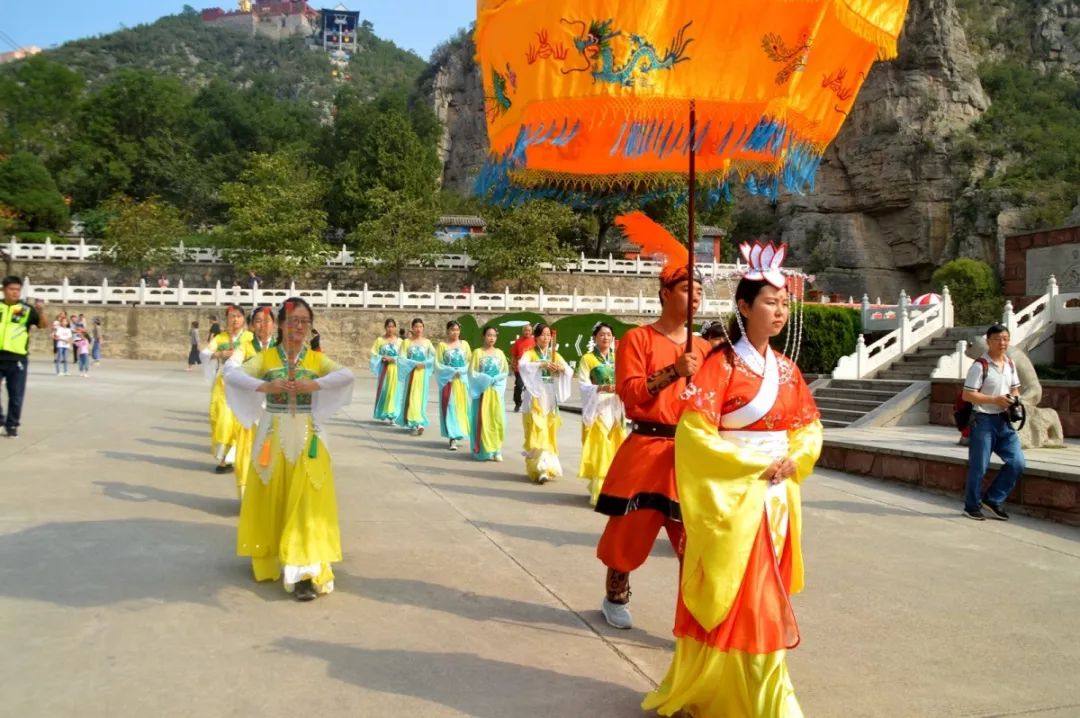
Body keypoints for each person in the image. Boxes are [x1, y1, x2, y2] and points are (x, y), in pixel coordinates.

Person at [642, 241, 823, 717]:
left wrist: (796, 457)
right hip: (736, 501)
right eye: (770, 302)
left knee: (765, 596)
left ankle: (748, 695)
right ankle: (759, 702)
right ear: (744, 306)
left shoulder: (787, 370)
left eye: (785, 304)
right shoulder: (719, 367)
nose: (780, 311)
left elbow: (809, 426)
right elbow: (694, 436)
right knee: (743, 599)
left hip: (778, 500)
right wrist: (751, 466)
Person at [594, 212, 709, 631]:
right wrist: (675, 372)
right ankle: (616, 591)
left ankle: (696, 616)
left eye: (698, 290)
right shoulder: (637, 339)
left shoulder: (707, 346)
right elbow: (631, 393)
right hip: (648, 448)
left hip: (692, 453)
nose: (694, 297)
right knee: (629, 530)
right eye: (685, 289)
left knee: (695, 541)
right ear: (664, 293)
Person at [224, 297, 354, 601]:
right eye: (293, 320)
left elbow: (346, 375)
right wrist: (265, 387)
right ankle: (275, 553)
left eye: (305, 321)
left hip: (309, 438)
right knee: (276, 497)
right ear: (281, 324)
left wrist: (315, 386)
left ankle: (304, 573)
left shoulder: (316, 360)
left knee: (307, 503)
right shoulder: (267, 359)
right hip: (273, 436)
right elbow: (233, 374)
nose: (299, 327)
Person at [961, 324, 1025, 521]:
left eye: (1006, 338)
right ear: (988, 341)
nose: (1002, 342)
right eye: (998, 339)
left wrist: (1012, 400)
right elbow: (967, 395)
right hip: (983, 421)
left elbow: (1015, 389)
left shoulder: (1010, 364)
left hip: (1004, 421)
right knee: (979, 466)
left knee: (1017, 462)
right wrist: (995, 400)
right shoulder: (980, 365)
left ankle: (993, 499)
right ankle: (971, 506)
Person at [577, 322, 626, 506]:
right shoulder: (588, 359)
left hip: (615, 405)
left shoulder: (618, 357)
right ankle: (600, 489)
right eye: (602, 335)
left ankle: (612, 486)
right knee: (600, 447)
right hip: (597, 406)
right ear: (595, 338)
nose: (605, 337)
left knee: (615, 446)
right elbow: (583, 384)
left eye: (608, 334)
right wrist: (602, 387)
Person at [230, 305, 277, 500]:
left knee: (272, 454)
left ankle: (269, 496)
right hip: (251, 409)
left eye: (267, 321)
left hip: (275, 409)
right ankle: (247, 494)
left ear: (274, 325)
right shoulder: (246, 347)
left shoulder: (281, 348)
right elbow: (231, 367)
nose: (263, 325)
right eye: (258, 321)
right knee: (248, 452)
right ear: (251, 326)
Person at [201, 304, 253, 474]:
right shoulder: (221, 338)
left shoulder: (250, 338)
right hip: (223, 384)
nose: (235, 319)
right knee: (222, 419)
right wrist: (218, 355)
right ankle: (224, 458)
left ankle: (239, 457)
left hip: (245, 385)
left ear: (243, 318)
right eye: (232, 316)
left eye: (238, 316)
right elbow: (205, 353)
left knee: (241, 421)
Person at [517, 322, 572, 484]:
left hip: (549, 396)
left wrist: (560, 369)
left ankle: (547, 467)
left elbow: (568, 370)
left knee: (548, 431)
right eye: (543, 335)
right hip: (535, 396)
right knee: (536, 430)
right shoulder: (531, 353)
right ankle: (539, 468)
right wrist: (541, 364)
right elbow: (522, 366)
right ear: (536, 337)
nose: (546, 338)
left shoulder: (554, 354)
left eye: (549, 335)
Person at [0, 276, 48, 438]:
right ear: (3, 289)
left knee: (16, 395)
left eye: (17, 290)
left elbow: (42, 326)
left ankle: (12, 425)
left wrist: (41, 312)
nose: (14, 292)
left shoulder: (25, 309)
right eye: (11, 289)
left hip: (17, 358)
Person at [468, 325, 509, 462]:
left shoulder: (500, 353)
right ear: (484, 336)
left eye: (494, 336)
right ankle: (483, 450)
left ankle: (497, 449)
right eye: (489, 335)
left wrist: (495, 381)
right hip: (482, 392)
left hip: (495, 393)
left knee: (497, 421)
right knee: (482, 420)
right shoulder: (477, 353)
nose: (492, 338)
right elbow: (472, 373)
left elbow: (504, 372)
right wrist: (484, 381)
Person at [436, 320, 472, 451]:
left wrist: (461, 371)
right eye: (452, 330)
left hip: (461, 382)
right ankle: (452, 436)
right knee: (450, 407)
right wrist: (451, 371)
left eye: (457, 330)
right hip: (448, 381)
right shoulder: (442, 346)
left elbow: (470, 361)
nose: (455, 332)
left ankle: (460, 431)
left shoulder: (465, 345)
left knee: (461, 408)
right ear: (447, 331)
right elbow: (438, 364)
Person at [395, 318, 435, 436]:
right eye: (416, 326)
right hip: (411, 372)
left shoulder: (427, 343)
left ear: (423, 328)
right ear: (412, 328)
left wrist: (425, 364)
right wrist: (413, 364)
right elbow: (401, 358)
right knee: (411, 397)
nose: (418, 329)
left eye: (420, 327)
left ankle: (418, 420)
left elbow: (435, 357)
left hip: (422, 374)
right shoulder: (406, 342)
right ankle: (416, 423)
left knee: (420, 398)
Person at [369, 318, 402, 424]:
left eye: (392, 326)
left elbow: (403, 356)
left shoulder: (400, 342)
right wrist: (382, 357)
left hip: (396, 369)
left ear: (395, 328)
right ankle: (383, 412)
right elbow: (374, 353)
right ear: (385, 327)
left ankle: (393, 414)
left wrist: (393, 359)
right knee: (385, 390)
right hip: (384, 369)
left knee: (394, 391)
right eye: (388, 326)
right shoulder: (380, 340)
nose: (390, 329)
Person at [510, 323, 535, 412]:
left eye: (529, 330)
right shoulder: (518, 342)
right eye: (525, 330)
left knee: (530, 387)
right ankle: (517, 403)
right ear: (522, 331)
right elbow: (514, 354)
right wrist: (512, 364)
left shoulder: (535, 341)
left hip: (531, 369)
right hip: (519, 369)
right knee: (519, 386)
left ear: (531, 331)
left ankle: (530, 404)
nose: (527, 332)